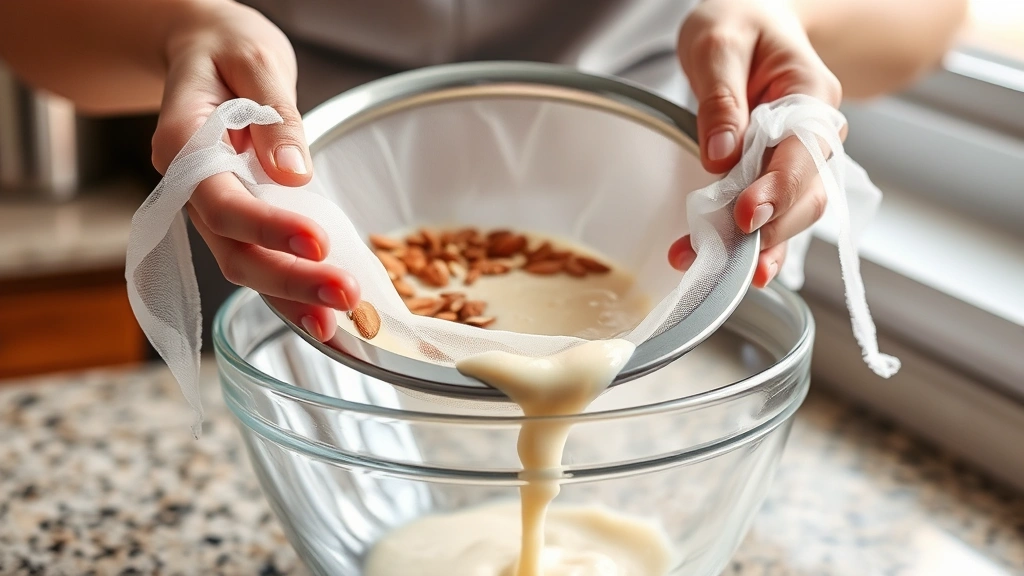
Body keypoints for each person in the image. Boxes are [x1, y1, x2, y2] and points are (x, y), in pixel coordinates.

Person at [0, 0, 967, 343]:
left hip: (653, 270)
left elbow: (930, 19)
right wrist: (177, 28)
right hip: (291, 278)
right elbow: (34, 29)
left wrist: (789, 17)